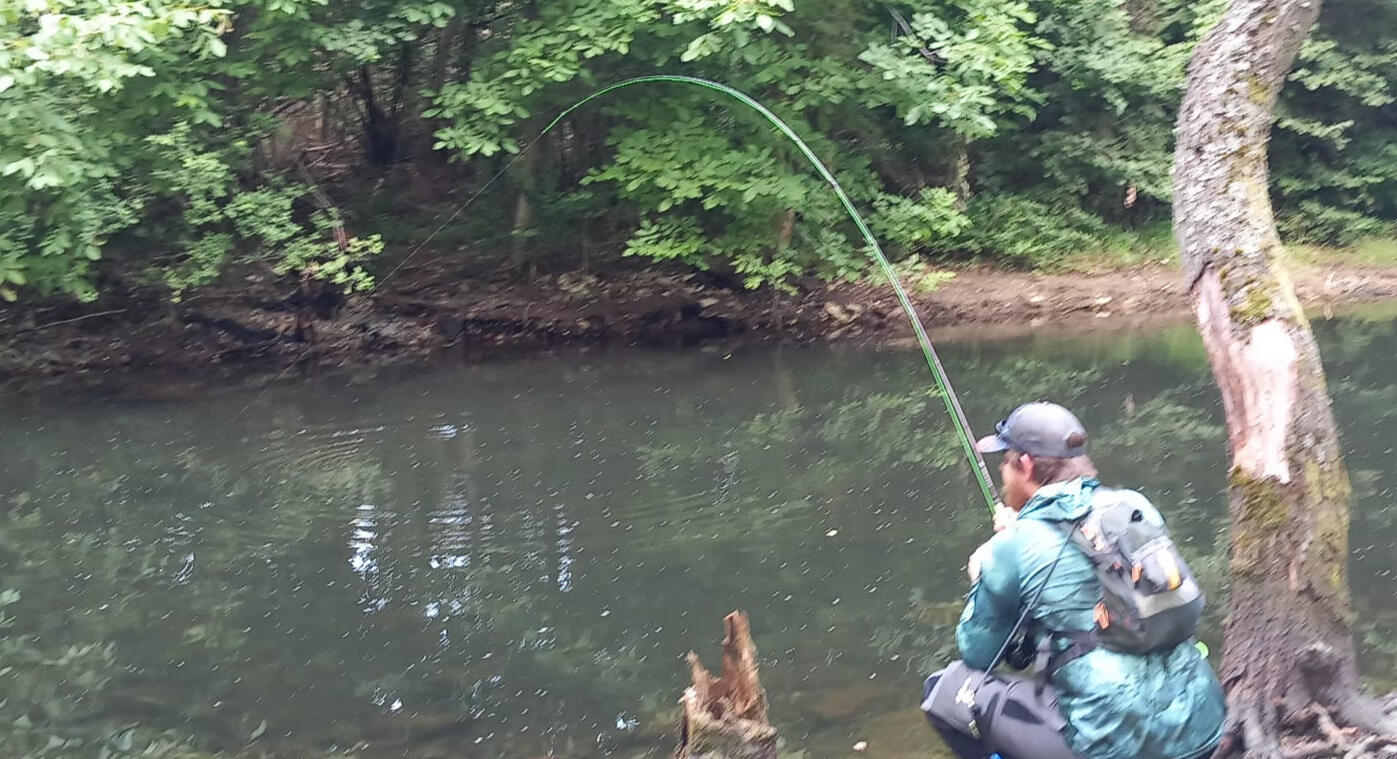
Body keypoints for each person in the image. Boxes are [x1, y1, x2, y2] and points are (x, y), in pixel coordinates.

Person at [920, 401, 1225, 759]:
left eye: (1005, 461)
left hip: (1110, 749)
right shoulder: (1133, 505)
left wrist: (984, 572)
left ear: (1026, 465)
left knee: (944, 692)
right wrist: (1019, 532)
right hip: (1205, 730)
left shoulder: (1011, 547)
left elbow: (978, 652)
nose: (1003, 471)